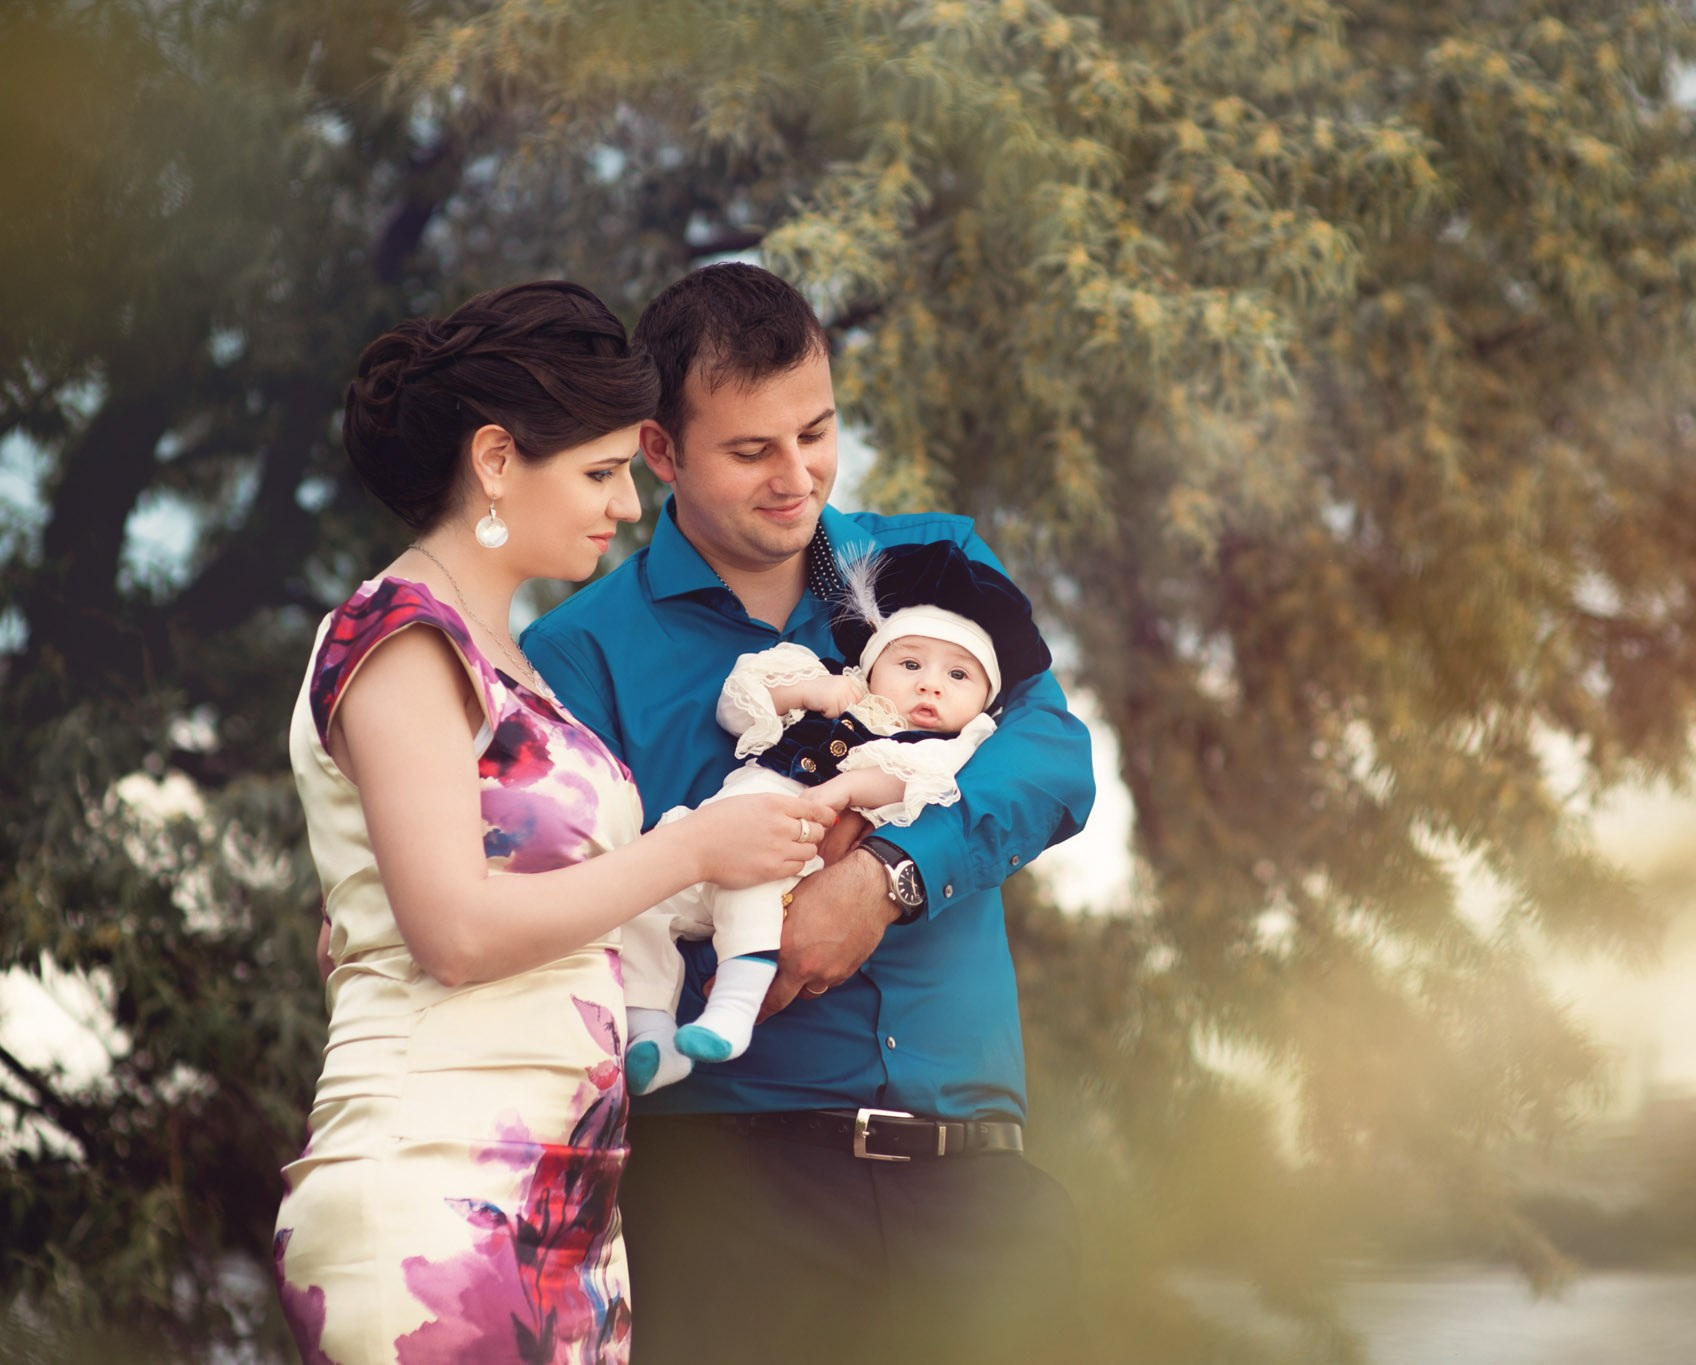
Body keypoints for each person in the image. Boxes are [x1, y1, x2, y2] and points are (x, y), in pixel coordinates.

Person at [522, 262, 1097, 1362]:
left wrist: (883, 880)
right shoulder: (576, 655)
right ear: (659, 450)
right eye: (751, 452)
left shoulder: (934, 561)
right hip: (727, 1206)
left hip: (978, 1188)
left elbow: (1050, 757)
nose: (798, 479)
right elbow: (581, 917)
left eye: (817, 433)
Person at [271, 280, 837, 1364]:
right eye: (598, 471)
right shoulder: (401, 636)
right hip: (439, 1185)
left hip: (561, 1200)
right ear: (494, 461)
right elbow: (455, 932)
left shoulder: (504, 657)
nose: (624, 506)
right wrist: (687, 850)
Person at [622, 539, 1054, 1092]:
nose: (930, 683)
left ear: (983, 703)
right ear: (872, 666)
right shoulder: (832, 686)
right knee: (640, 903)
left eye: (959, 677)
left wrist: (847, 787)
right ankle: (652, 1033)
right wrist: (810, 689)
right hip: (709, 830)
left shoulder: (940, 748)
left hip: (789, 841)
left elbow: (908, 782)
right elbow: (737, 705)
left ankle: (731, 1009)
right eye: (910, 663)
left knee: (751, 887)